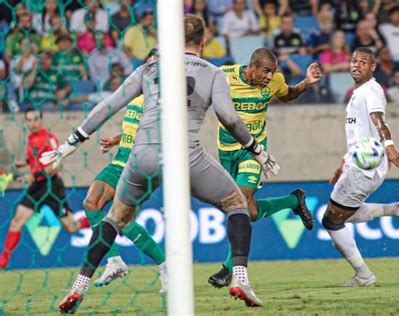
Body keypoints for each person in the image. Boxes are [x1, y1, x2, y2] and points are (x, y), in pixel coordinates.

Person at [42, 15, 278, 312]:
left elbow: (108, 105)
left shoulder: (150, 68)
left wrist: (69, 144)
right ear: (203, 42)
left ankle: (79, 287)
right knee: (236, 203)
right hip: (185, 154)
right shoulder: (214, 72)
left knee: (114, 217)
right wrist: (256, 149)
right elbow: (229, 118)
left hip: (143, 155)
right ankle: (240, 278)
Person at [207, 48, 321, 288]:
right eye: (266, 71)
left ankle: (229, 270)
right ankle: (293, 201)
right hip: (226, 151)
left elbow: (288, 95)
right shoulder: (223, 76)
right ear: (252, 67)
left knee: (238, 204)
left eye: (274, 72)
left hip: (255, 151)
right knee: (251, 213)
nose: (270, 77)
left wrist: (306, 83)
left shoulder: (275, 81)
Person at [322, 47, 399, 287]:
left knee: (332, 221)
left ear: (372, 67)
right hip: (358, 164)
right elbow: (360, 135)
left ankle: (364, 276)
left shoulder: (372, 91)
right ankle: (398, 209)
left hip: (364, 170)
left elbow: (379, 120)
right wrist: (344, 161)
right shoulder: (358, 92)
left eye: (363, 62)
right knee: (342, 214)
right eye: (354, 60)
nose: (356, 64)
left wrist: (390, 145)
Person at [80, 95, 167, 289]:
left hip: (139, 167)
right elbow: (133, 131)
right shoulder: (135, 100)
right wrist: (116, 140)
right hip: (119, 162)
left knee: (124, 222)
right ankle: (114, 261)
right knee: (90, 204)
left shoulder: (162, 103)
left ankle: (165, 267)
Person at [0, 108, 90, 269]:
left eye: (35, 119)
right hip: (37, 187)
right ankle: (3, 262)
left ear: (41, 120)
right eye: (28, 120)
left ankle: (102, 222)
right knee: (16, 222)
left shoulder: (48, 138)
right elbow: (40, 158)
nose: (32, 123)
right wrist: (27, 162)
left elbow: (56, 164)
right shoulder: (31, 138)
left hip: (52, 185)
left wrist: (34, 175)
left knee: (71, 227)